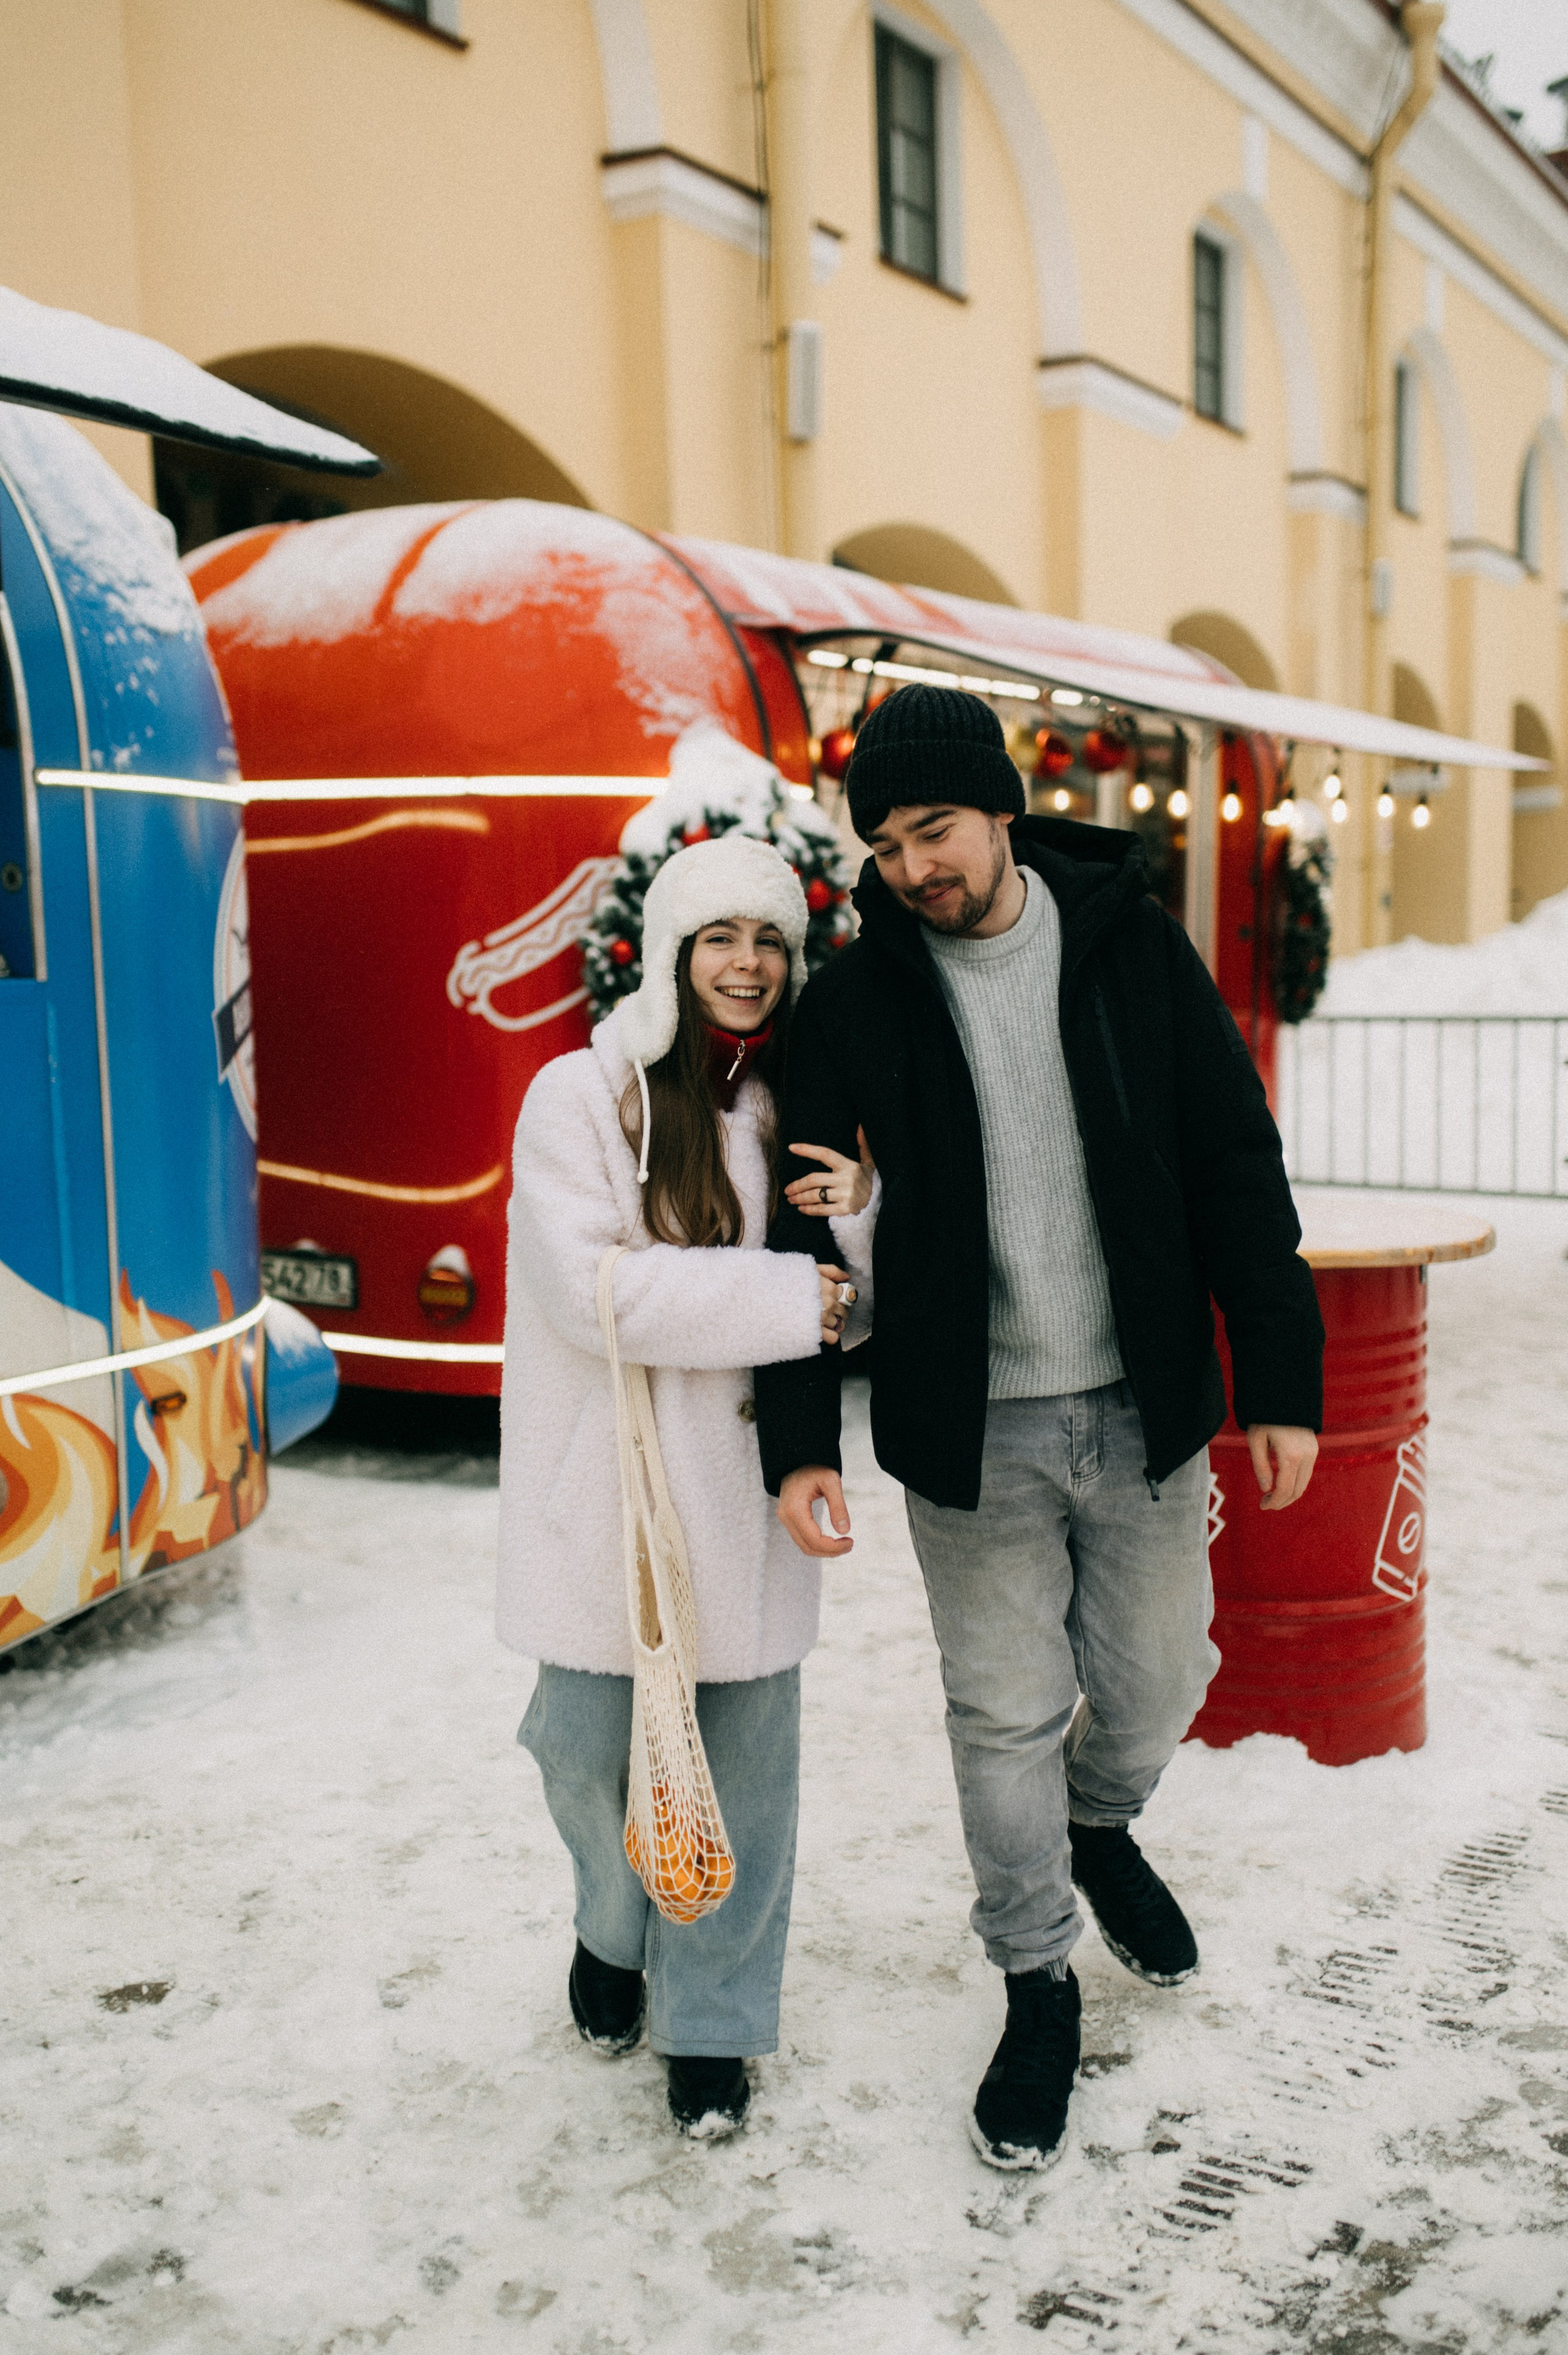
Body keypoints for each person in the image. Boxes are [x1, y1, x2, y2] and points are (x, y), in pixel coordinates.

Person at [755, 684, 1324, 2172]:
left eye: (933, 829)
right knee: (1001, 1710)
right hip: (971, 1429)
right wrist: (798, 1440)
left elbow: (1231, 1157)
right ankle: (1033, 1978)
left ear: (1001, 810)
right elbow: (799, 1239)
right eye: (882, 844)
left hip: (1140, 1400)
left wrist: (1278, 1375)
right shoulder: (852, 1002)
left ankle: (1097, 1820)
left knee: (1161, 1675)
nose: (910, 867)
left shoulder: (1129, 942)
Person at [499, 833, 875, 2140]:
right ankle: (615, 1923)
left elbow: (852, 1307)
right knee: (582, 1748)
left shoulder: (793, 1106)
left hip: (747, 1499)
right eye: (721, 936)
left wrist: (863, 1218)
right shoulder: (577, 1097)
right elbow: (588, 1289)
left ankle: (712, 2023)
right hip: (603, 1496)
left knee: (747, 1781)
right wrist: (787, 1296)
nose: (748, 963)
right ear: (669, 951)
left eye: (770, 940)